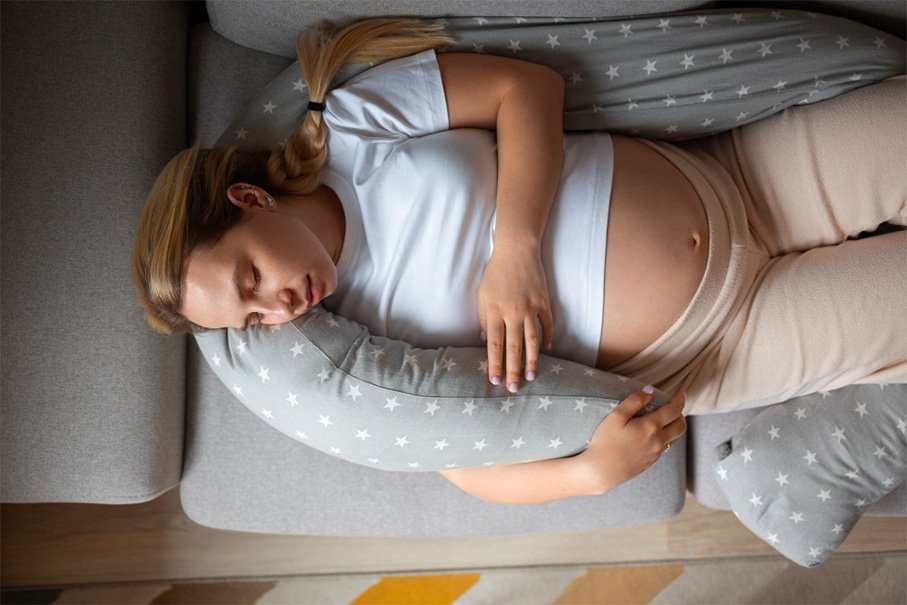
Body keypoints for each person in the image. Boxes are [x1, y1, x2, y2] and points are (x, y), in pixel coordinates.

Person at [131, 18, 906, 505]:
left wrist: (515, 250)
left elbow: (521, 88)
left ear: (248, 199)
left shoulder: (350, 130)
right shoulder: (355, 340)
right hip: (716, 342)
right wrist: (588, 474)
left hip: (741, 176)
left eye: (250, 280)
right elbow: (460, 453)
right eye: (255, 317)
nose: (280, 309)